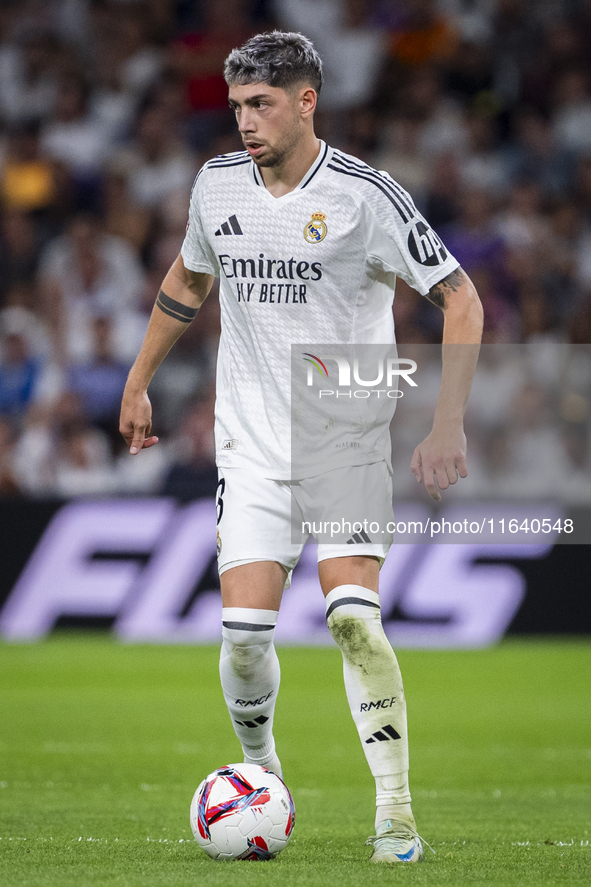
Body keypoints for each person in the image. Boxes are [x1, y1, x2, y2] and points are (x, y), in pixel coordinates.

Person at [120, 31, 483, 864]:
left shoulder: (366, 197)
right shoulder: (215, 186)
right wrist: (139, 381)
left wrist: (446, 422)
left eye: (262, 104)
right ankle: (262, 778)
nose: (245, 121)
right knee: (243, 636)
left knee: (353, 620)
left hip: (344, 434)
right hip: (249, 444)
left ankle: (395, 810)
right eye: (237, 104)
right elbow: (187, 279)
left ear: (306, 100)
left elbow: (461, 302)